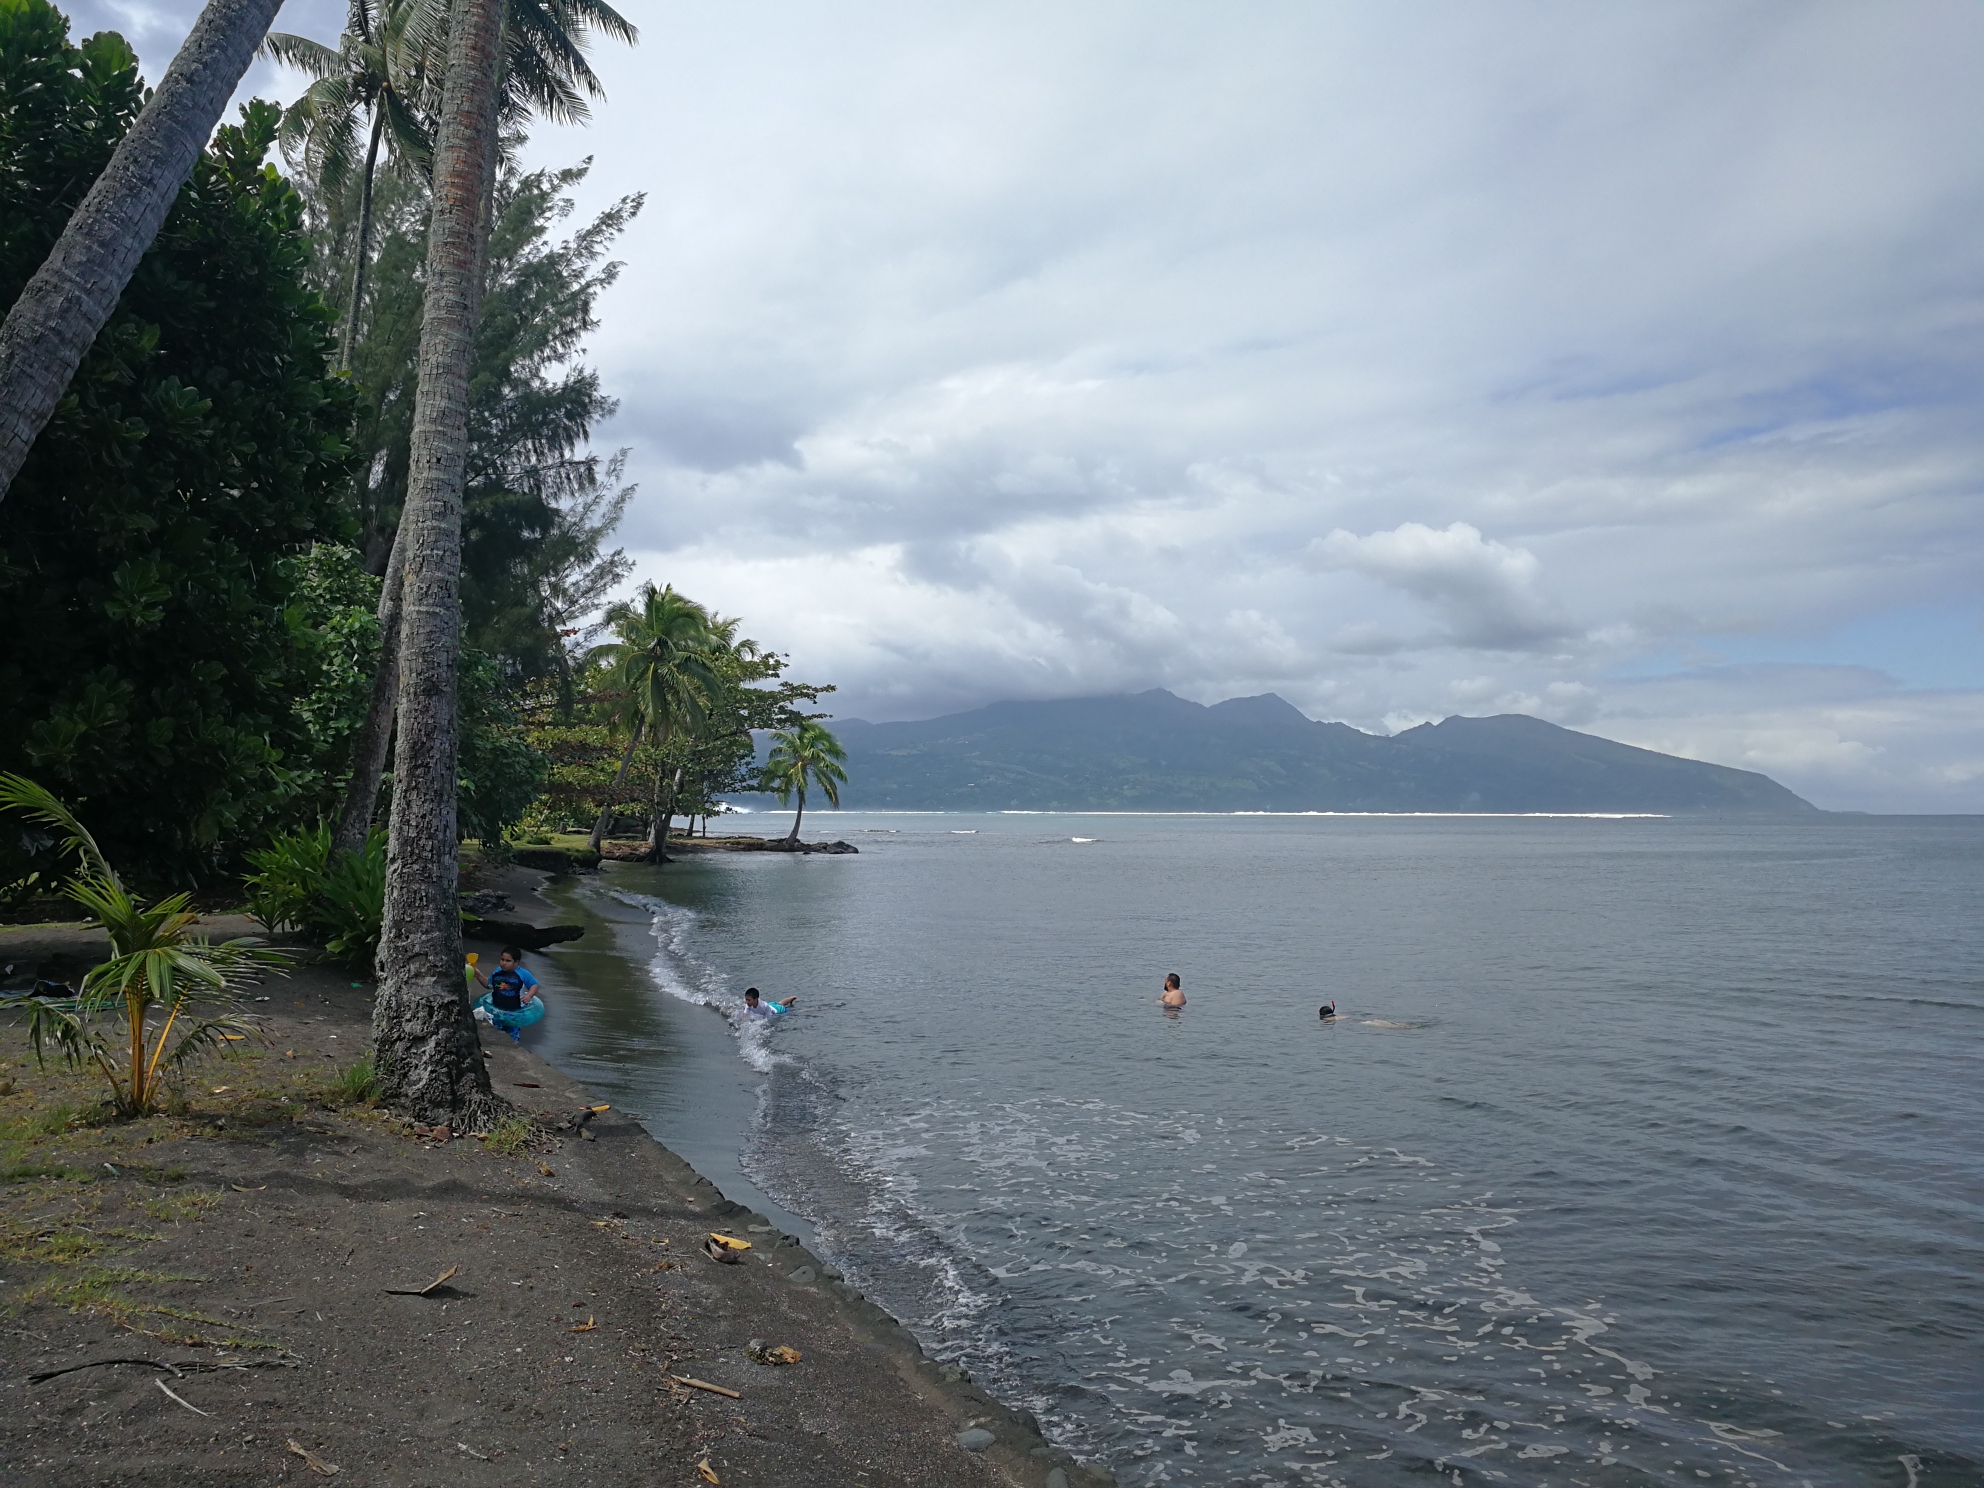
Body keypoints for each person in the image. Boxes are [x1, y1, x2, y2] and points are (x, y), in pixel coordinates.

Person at [470, 946, 544, 1042]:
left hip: (514, 1012)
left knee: (512, 1037)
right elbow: (488, 984)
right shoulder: (497, 971)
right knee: (494, 1035)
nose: (503, 963)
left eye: (508, 961)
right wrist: (479, 975)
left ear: (516, 962)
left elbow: (535, 985)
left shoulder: (523, 973)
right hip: (496, 1010)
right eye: (502, 959)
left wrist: (529, 995)